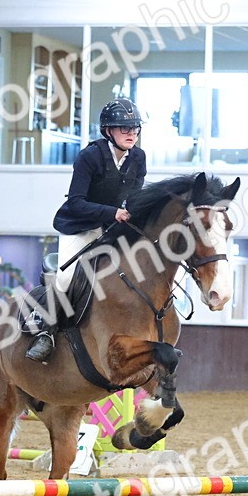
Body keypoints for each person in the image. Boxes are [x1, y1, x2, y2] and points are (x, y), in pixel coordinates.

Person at [26, 98, 148, 362]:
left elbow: (135, 198)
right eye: (124, 128)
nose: (131, 133)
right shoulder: (90, 156)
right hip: (79, 226)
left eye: (135, 128)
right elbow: (76, 202)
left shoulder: (138, 157)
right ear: (108, 131)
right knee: (66, 278)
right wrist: (112, 212)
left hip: (111, 228)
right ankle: (45, 332)